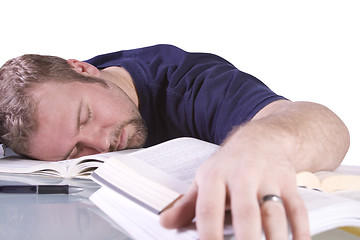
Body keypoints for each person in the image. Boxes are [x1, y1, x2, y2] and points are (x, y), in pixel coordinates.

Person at [0, 44, 350, 240]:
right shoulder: (45, 109)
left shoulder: (186, 83)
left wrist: (258, 147)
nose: (101, 143)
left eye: (86, 116)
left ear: (83, 68)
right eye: (75, 151)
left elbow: (323, 124)